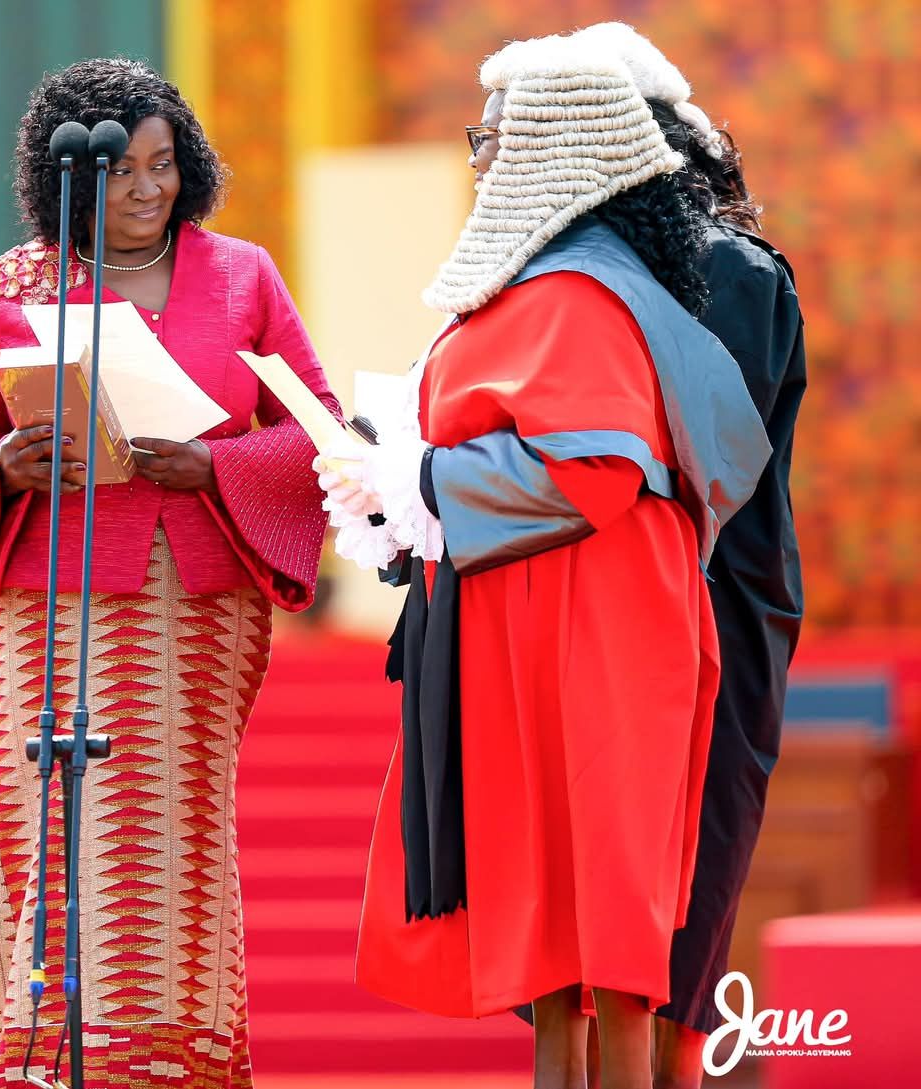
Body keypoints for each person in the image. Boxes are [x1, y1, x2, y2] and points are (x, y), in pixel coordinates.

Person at [316, 36, 770, 1089]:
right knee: (561, 946)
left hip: (592, 618)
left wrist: (424, 479)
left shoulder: (575, 293)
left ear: (549, 152)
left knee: (601, 922)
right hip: (551, 608)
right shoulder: (559, 283)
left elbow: (594, 475)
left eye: (494, 139)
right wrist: (402, 487)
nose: (481, 159)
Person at [0, 58, 338, 1089]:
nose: (148, 189)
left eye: (163, 165)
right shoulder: (13, 286)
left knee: (167, 836)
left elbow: (321, 432)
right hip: (48, 603)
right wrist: (3, 467)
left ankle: (164, 1062)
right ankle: (34, 1054)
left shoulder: (243, 276)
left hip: (195, 603)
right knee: (49, 824)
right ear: (68, 177)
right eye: (121, 173)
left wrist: (219, 464)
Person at [564, 25, 806, 1089]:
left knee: (695, 866)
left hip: (716, 594)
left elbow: (718, 455)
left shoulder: (732, 271)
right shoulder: (569, 273)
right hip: (603, 594)